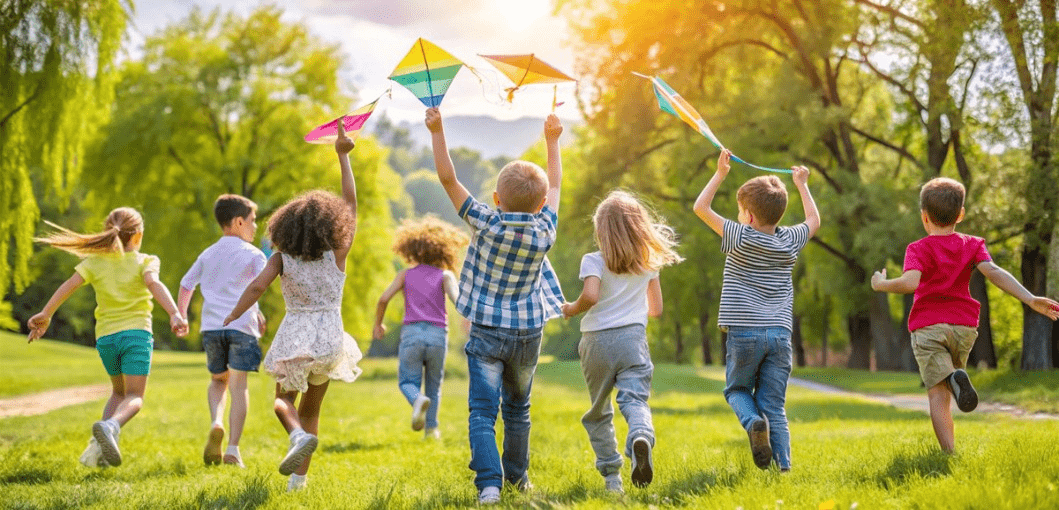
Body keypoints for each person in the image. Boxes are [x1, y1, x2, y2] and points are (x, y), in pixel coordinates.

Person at [425, 107, 565, 505]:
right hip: (527, 333)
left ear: (497, 198)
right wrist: (552, 142)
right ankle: (518, 480)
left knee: (482, 412)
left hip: (486, 331)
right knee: (518, 409)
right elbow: (554, 184)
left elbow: (448, 178)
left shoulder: (485, 220)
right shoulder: (546, 228)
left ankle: (489, 485)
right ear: (540, 204)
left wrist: (438, 131)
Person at [870, 177, 1059, 452]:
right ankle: (955, 377)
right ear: (961, 214)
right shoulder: (972, 244)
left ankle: (949, 453)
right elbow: (994, 272)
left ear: (924, 217)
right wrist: (1029, 298)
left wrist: (881, 284)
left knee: (937, 395)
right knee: (949, 386)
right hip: (964, 327)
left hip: (928, 327)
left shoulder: (918, 249)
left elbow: (910, 283)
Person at [223, 121, 363, 491]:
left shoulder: (282, 259)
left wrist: (235, 313)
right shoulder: (338, 254)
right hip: (331, 337)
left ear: (284, 228)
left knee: (283, 402)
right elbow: (350, 205)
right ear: (335, 227)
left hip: (297, 335)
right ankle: (298, 483)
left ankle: (297, 438)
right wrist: (343, 158)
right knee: (312, 410)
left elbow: (256, 287)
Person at [26, 207, 188, 468]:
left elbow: (68, 286)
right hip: (135, 335)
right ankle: (111, 426)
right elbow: (154, 284)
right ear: (137, 236)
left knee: (117, 392)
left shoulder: (95, 262)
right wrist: (174, 313)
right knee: (134, 396)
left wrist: (46, 313)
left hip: (106, 340)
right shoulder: (146, 261)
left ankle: (97, 452)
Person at [692, 150, 819, 471]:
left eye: (739, 211)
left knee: (736, 390)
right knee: (774, 405)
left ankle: (751, 423)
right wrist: (802, 184)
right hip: (779, 335)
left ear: (747, 216)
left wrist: (720, 173)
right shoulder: (790, 240)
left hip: (743, 333)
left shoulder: (739, 236)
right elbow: (814, 221)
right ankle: (784, 468)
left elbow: (700, 208)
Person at [561, 190, 682, 494]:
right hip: (632, 340)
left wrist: (571, 309)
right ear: (640, 227)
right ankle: (640, 433)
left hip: (596, 342)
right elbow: (656, 310)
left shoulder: (593, 260)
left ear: (601, 230)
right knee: (634, 399)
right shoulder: (649, 262)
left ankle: (612, 479)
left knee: (599, 410)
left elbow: (589, 296)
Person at [177, 194, 268, 467]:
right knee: (239, 387)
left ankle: (217, 421)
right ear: (239, 221)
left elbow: (186, 284)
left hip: (212, 328)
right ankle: (232, 449)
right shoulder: (254, 254)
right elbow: (258, 286)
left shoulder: (208, 253)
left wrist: (181, 316)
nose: (255, 227)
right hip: (243, 328)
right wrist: (256, 311)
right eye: (252, 221)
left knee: (218, 381)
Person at [373, 216, 467, 439]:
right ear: (443, 250)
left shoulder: (405, 274)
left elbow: (383, 299)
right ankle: (432, 430)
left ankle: (417, 399)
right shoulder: (445, 275)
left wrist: (378, 324)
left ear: (411, 249)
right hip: (437, 335)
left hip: (412, 333)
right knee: (434, 385)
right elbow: (458, 299)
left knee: (407, 381)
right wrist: (469, 318)